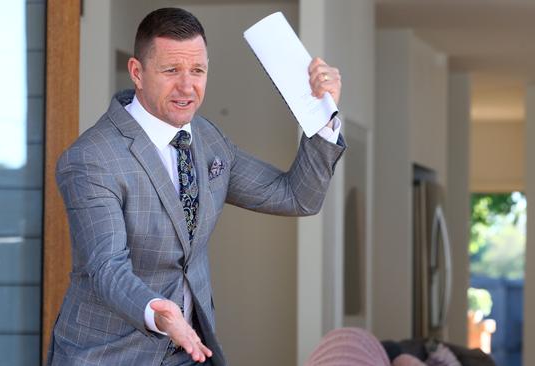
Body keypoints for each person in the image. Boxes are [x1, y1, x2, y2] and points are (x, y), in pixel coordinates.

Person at [47, 7, 345, 366]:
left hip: (189, 352)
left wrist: (323, 115)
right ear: (137, 73)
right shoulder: (92, 158)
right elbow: (106, 267)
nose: (187, 86)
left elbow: (296, 197)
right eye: (171, 70)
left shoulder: (208, 138)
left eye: (198, 71)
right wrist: (158, 313)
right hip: (111, 354)